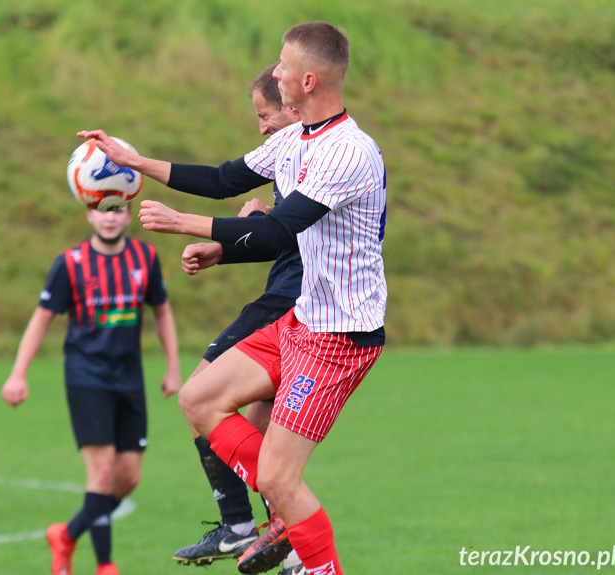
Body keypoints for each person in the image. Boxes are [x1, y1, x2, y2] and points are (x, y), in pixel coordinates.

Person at [79, 21, 387, 575]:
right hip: (299, 319)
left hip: (339, 335)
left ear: (309, 80)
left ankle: (301, 542)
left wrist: (182, 225)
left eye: (283, 66)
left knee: (278, 479)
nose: (275, 72)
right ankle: (279, 520)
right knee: (199, 399)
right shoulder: (296, 139)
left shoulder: (347, 153)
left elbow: (275, 233)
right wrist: (137, 161)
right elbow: (224, 179)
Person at [169, 64, 307, 575]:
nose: (261, 126)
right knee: (256, 427)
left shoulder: (324, 156)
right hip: (290, 299)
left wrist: (230, 230)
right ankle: (285, 545)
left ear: (294, 110)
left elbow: (288, 234)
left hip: (290, 306)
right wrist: (225, 246)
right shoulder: (297, 157)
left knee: (203, 394)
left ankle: (245, 525)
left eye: (264, 115)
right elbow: (283, 233)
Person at [1, 204, 182, 575]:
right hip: (87, 378)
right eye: (102, 210)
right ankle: (105, 566)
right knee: (101, 473)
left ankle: (66, 535)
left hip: (130, 379)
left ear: (129, 215)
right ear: (89, 215)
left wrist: (173, 367)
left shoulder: (144, 257)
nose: (110, 217)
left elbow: (161, 311)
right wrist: (18, 374)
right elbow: (41, 318)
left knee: (127, 478)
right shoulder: (70, 263)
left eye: (117, 209)